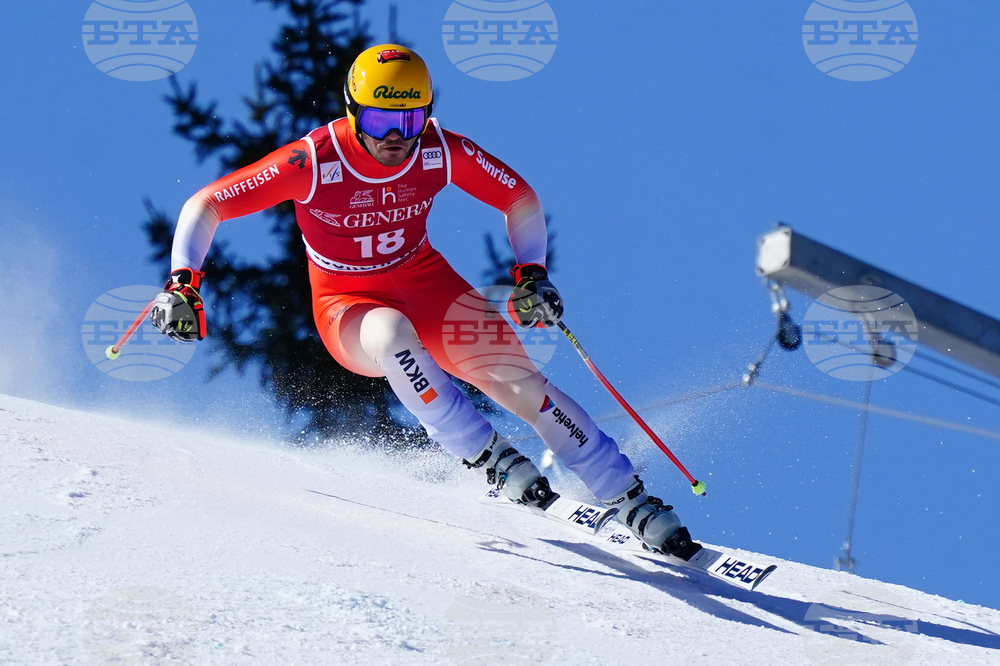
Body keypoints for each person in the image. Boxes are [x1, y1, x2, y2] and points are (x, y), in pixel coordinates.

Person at [150, 44, 700, 559]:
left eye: (410, 121)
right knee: (391, 334)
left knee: (522, 383)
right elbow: (209, 203)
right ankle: (489, 457)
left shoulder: (438, 151)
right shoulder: (314, 161)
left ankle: (629, 497)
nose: (396, 137)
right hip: (348, 304)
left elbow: (519, 198)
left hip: (427, 284)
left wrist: (531, 274)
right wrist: (182, 282)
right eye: (381, 121)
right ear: (352, 112)